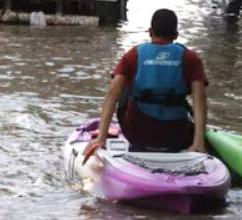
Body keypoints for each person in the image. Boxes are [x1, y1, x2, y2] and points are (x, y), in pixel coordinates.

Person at [83, 9, 208, 163]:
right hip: (175, 136)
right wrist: (198, 142)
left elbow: (111, 95)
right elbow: (200, 100)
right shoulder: (191, 58)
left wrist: (100, 138)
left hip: (138, 134)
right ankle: (196, 142)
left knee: (123, 88)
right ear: (176, 35)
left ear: (150, 32)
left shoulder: (133, 55)